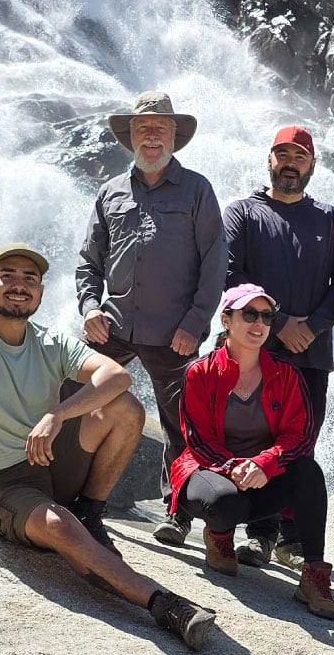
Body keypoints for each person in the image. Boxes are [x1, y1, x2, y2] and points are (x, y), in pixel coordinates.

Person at [0, 244, 216, 653]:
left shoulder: (48, 341)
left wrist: (56, 416)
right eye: (8, 275)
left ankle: (90, 512)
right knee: (58, 527)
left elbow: (115, 375)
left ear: (40, 292)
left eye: (30, 279)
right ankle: (163, 604)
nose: (19, 285)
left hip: (48, 462)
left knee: (125, 408)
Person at [76, 90, 227, 546]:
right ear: (131, 138)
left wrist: (196, 322)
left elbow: (216, 260)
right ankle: (69, 495)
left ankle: (177, 511)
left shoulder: (197, 189)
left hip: (174, 334)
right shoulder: (110, 192)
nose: (152, 135)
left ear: (174, 136)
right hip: (114, 326)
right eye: (143, 128)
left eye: (160, 128)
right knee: (69, 397)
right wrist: (89, 308)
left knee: (183, 423)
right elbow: (89, 261)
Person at [222, 124, 334, 569]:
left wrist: (312, 327)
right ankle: (259, 532)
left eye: (299, 155)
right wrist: (278, 323)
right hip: (257, 350)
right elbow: (229, 276)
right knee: (257, 438)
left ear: (312, 164)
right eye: (282, 153)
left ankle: (293, 539)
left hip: (311, 354)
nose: (290, 162)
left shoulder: (331, 219)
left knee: (302, 444)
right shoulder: (242, 212)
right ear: (269, 160)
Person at [171, 283, 334, 619]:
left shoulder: (286, 373)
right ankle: (219, 537)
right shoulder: (199, 372)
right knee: (222, 501)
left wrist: (264, 463)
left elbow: (300, 435)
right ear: (227, 319)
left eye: (266, 316)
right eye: (249, 314)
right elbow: (198, 440)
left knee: (308, 472)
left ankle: (314, 574)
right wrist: (233, 466)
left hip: (261, 476)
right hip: (208, 471)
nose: (259, 323)